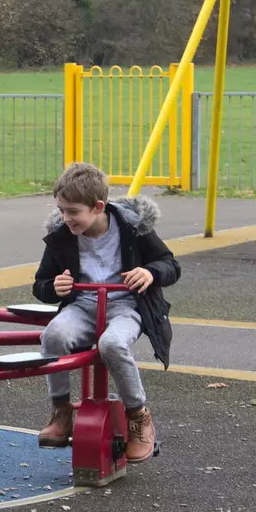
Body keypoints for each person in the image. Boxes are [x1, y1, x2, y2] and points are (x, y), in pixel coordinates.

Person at [31, 162, 180, 462]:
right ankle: (61, 412)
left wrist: (150, 273)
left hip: (126, 306)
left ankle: (138, 417)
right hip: (83, 306)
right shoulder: (62, 234)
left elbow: (170, 264)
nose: (65, 218)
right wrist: (55, 287)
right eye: (61, 209)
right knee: (53, 336)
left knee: (111, 344)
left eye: (73, 212)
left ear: (98, 206)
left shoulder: (132, 227)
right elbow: (41, 284)